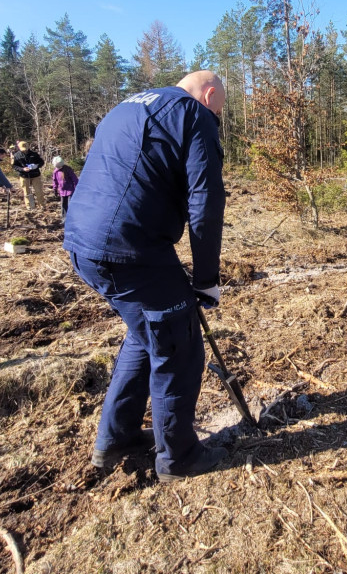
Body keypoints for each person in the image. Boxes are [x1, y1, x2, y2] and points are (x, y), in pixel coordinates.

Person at [64, 70, 228, 482]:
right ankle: (179, 458)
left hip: (81, 242)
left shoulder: (123, 108)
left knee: (145, 334)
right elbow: (205, 201)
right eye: (220, 111)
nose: (218, 120)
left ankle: (116, 439)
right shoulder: (194, 114)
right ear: (209, 95)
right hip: (130, 248)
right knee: (179, 343)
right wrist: (206, 279)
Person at [11, 140, 46, 211]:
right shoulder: (16, 155)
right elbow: (14, 166)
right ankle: (29, 206)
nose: (25, 151)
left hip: (35, 175)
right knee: (26, 192)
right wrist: (22, 169)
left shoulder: (34, 154)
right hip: (24, 176)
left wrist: (36, 166)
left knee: (39, 191)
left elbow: (41, 162)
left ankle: (42, 206)